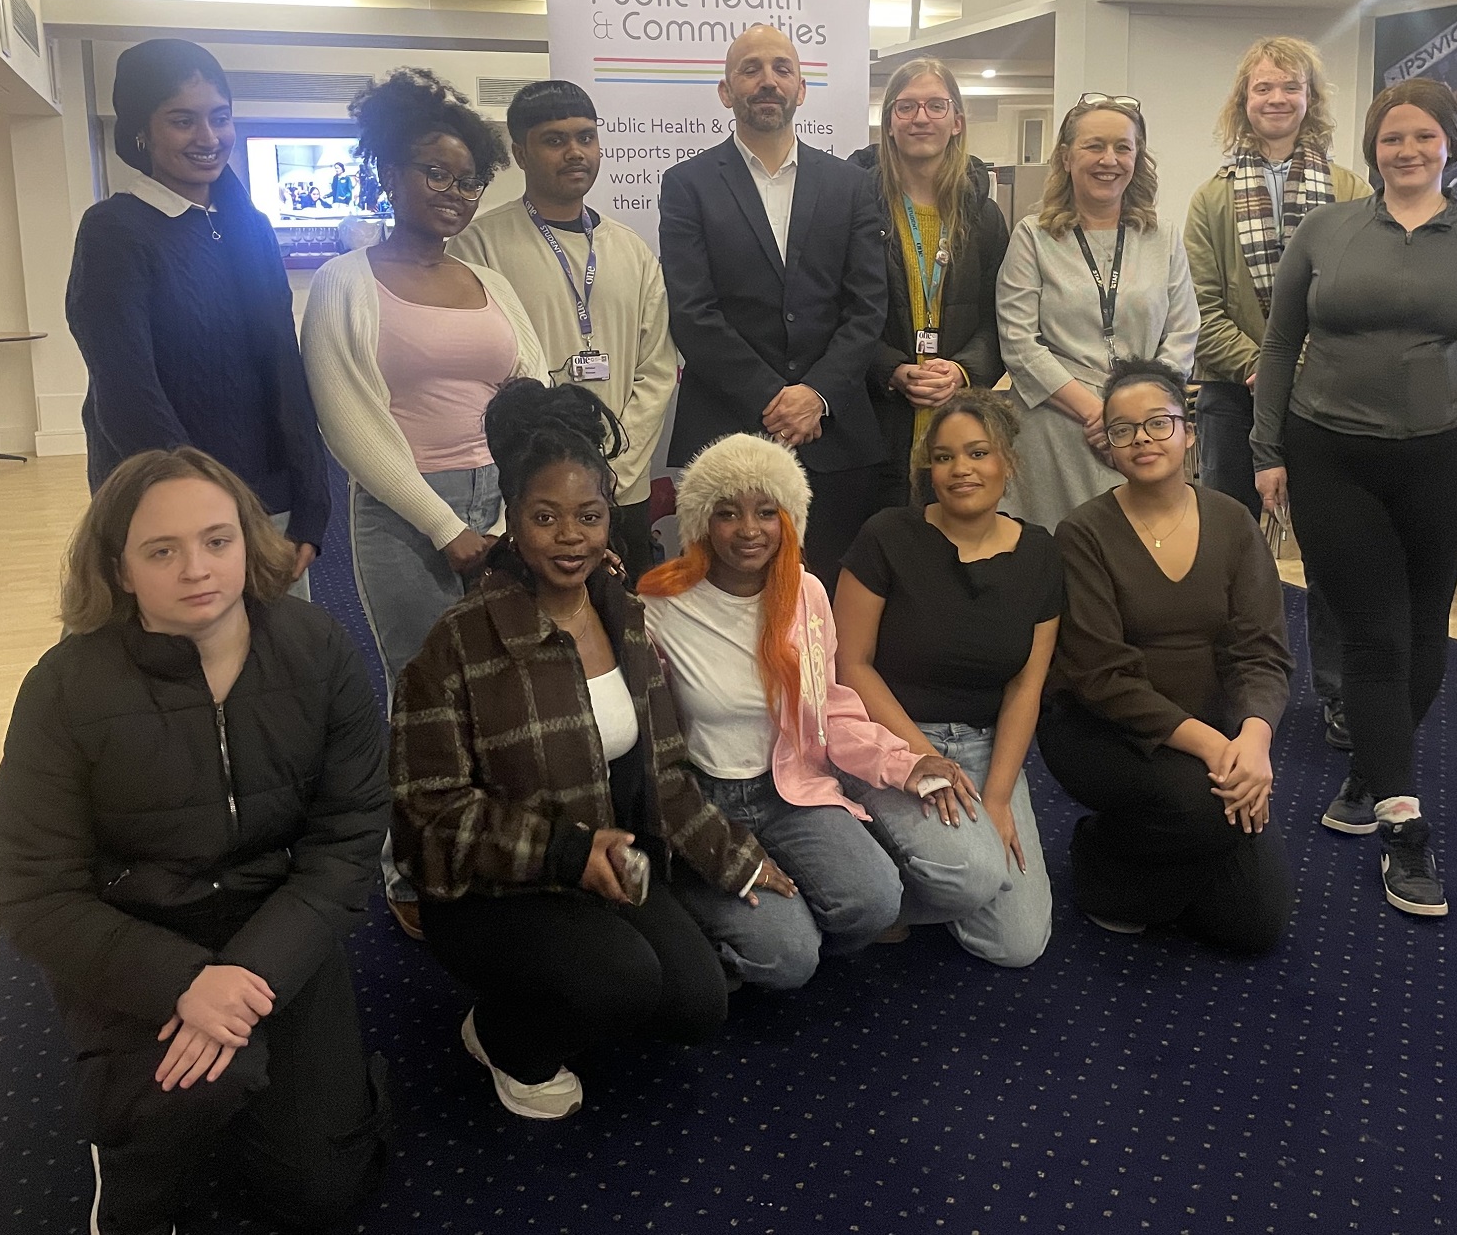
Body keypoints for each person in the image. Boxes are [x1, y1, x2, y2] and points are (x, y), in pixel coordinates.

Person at [0, 448, 390, 1235]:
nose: (197, 568)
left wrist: (248, 971)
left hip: (278, 929)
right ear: (121, 567)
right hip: (139, 937)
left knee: (320, 1194)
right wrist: (183, 983)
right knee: (200, 1095)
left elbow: (347, 842)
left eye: (217, 539)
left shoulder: (319, 652)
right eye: (161, 550)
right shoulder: (64, 688)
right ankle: (133, 1152)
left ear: (248, 538)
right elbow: (35, 892)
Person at [391, 382, 794, 1121]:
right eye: (545, 518)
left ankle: (579, 980)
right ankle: (502, 1038)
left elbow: (665, 772)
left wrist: (735, 855)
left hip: (602, 872)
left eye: (589, 516)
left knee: (696, 1008)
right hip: (493, 892)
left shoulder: (627, 620)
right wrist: (567, 852)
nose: (570, 537)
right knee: (623, 982)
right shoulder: (457, 642)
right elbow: (429, 819)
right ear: (512, 521)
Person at [1253, 77, 1457, 919]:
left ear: (1450, 143)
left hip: (1449, 455)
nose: (1406, 152)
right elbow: (1279, 343)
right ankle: (1405, 828)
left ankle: (1371, 771)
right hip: (1331, 453)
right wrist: (1268, 449)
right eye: (1390, 140)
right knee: (1373, 632)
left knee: (1422, 626)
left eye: (1423, 138)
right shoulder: (1327, 229)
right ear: (1371, 149)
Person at [300, 67, 546, 937]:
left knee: (508, 687)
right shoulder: (343, 284)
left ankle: (497, 840)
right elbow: (352, 430)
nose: (452, 192)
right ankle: (411, 862)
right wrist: (449, 530)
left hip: (505, 507)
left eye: (468, 178)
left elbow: (535, 396)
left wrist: (527, 511)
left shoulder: (491, 284)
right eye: (433, 173)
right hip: (408, 513)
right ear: (390, 174)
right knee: (423, 694)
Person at [639, 432, 989, 989]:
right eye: (728, 513)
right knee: (788, 961)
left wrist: (905, 762)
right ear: (702, 522)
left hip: (789, 791)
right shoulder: (658, 607)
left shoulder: (805, 592)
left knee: (875, 904)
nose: (749, 530)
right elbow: (648, 746)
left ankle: (779, 923)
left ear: (789, 520)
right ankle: (705, 933)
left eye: (766, 512)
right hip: (706, 805)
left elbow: (832, 711)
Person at [1037, 359, 1295, 952]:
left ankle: (1153, 862)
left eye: (1158, 423)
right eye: (1122, 429)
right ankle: (1102, 850)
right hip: (1103, 730)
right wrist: (1217, 749)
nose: (1142, 440)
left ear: (1189, 430)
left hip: (1216, 729)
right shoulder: (1083, 533)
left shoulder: (1232, 522)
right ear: (1107, 445)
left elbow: (1261, 652)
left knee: (1252, 929)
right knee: (1203, 812)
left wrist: (1253, 743)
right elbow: (1103, 679)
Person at [65, 37, 327, 597]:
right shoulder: (115, 230)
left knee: (278, 665)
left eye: (220, 118)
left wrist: (310, 498)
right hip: (173, 512)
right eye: (183, 121)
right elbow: (127, 391)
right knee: (178, 665)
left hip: (269, 498)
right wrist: (200, 510)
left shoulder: (247, 225)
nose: (208, 138)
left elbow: (283, 363)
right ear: (142, 131)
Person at [1185, 38, 1371, 752]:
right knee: (1228, 554)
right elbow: (1201, 308)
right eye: (1262, 89)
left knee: (1331, 554)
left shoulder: (1351, 190)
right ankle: (1226, 686)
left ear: (1309, 99)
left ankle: (1337, 694)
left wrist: (1302, 371)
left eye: (1289, 88)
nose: (1276, 100)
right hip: (1236, 397)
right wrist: (1264, 369)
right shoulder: (1210, 197)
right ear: (1244, 100)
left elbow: (1356, 297)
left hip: (1328, 402)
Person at [834, 388, 1059, 967]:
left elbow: (1025, 686)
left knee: (1018, 946)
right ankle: (858, 885)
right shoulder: (886, 536)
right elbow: (850, 665)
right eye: (944, 457)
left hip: (985, 746)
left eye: (978, 453)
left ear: (1007, 462)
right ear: (927, 469)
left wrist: (1000, 797)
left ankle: (907, 889)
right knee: (972, 876)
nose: (961, 469)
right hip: (890, 740)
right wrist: (921, 758)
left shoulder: (1039, 553)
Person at [658, 25, 889, 587]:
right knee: (723, 600)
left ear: (802, 89)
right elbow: (693, 312)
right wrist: (774, 399)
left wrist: (816, 395)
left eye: (782, 69)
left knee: (829, 597)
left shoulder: (851, 185)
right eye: (751, 69)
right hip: (727, 433)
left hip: (835, 438)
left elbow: (867, 306)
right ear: (726, 90)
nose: (768, 81)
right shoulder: (686, 184)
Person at [462, 80, 677, 583]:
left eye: (585, 137)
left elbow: (657, 368)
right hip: (531, 493)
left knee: (628, 624)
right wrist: (535, 470)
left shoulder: (631, 250)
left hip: (622, 488)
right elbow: (478, 377)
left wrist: (612, 468)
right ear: (520, 152)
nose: (575, 152)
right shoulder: (479, 248)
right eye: (554, 140)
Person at [996, 94, 1200, 531]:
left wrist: (1134, 416)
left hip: (1145, 434)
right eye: (1094, 146)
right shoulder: (1033, 237)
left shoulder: (1162, 237)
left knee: (1143, 559)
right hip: (1056, 428)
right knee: (1059, 560)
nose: (1109, 159)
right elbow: (1017, 342)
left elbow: (1183, 334)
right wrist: (1099, 415)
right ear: (1067, 158)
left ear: (1137, 159)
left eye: (1123, 148)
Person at [847, 58, 1012, 508]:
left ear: (957, 121)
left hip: (956, 417)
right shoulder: (855, 206)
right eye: (906, 107)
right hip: (875, 418)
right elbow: (835, 310)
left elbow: (1001, 317)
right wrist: (891, 369)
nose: (921, 118)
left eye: (936, 106)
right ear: (889, 124)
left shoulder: (983, 214)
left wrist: (963, 370)